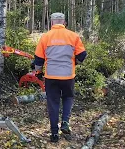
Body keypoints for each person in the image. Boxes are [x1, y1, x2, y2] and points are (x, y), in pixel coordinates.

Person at [32, 12, 87, 142]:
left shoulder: (45, 37)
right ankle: (65, 122)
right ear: (64, 22)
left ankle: (54, 133)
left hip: (51, 76)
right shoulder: (73, 36)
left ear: (51, 23)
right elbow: (82, 55)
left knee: (53, 103)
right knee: (68, 97)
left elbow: (38, 60)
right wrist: (75, 63)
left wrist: (38, 73)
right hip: (68, 75)